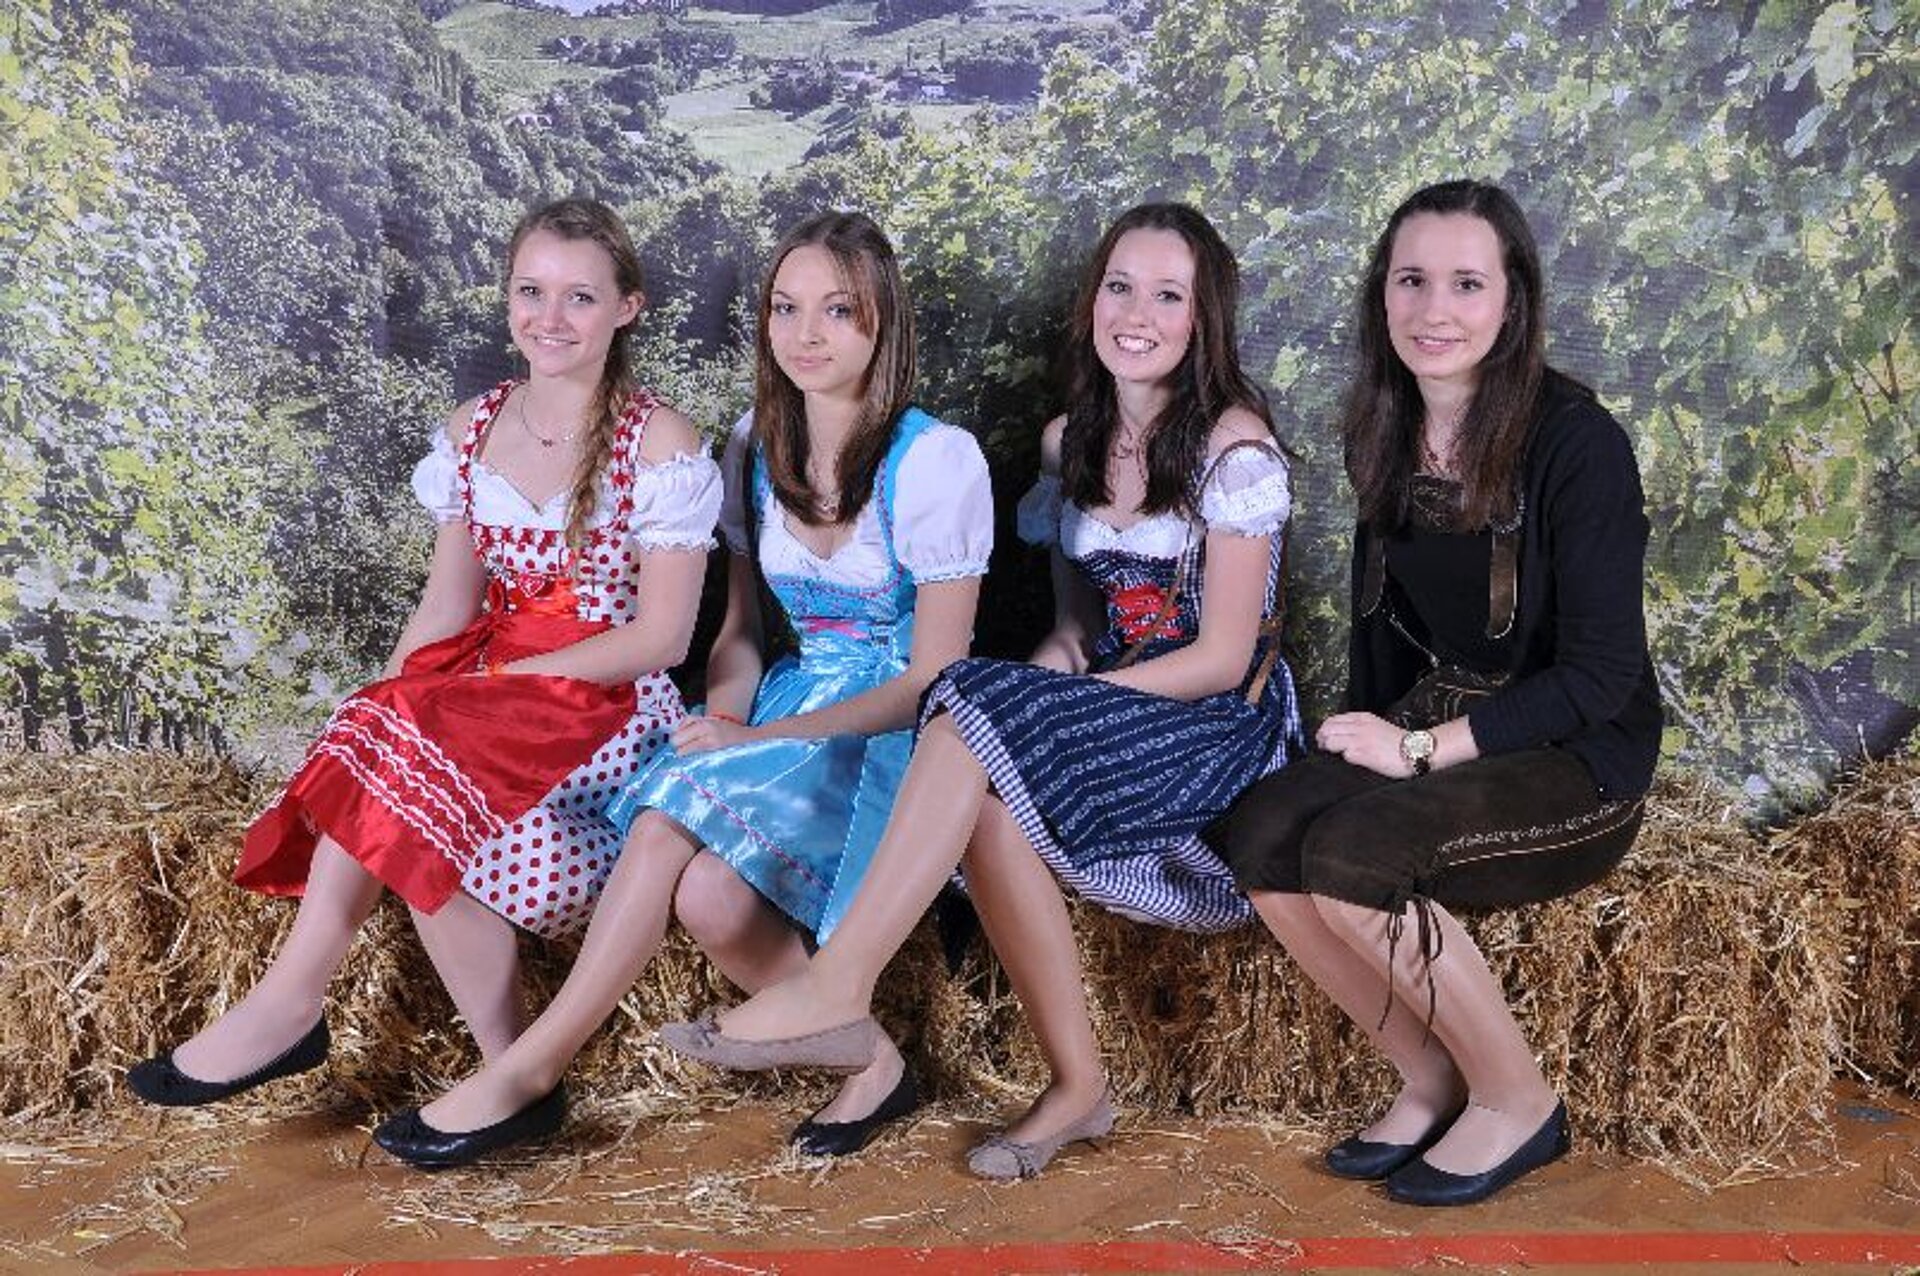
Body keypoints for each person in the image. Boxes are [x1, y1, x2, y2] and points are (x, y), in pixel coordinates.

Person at [658, 202, 1305, 1181]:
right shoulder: (1068, 443)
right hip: (1108, 708)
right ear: (1092, 300)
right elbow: (1077, 632)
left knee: (969, 702)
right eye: (1120, 287)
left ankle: (838, 984)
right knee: (979, 761)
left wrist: (1034, 709)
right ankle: (1079, 1086)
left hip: (1213, 725)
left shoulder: (1234, 449)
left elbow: (1221, 657)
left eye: (1168, 296)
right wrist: (1021, 701)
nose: (1137, 314)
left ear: (1204, 316)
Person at [370, 210, 993, 1168]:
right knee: (706, 894)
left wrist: (750, 750)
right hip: (783, 706)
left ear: (884, 324)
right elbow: (741, 635)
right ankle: (876, 1064)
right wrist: (726, 726)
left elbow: (933, 682)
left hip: (895, 737)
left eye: (838, 311)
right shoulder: (754, 444)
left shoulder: (938, 459)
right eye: (785, 308)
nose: (806, 334)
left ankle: (530, 1070)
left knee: (666, 823)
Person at [128, 198, 721, 1111]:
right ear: (507, 297)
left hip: (602, 702)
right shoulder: (472, 428)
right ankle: (504, 1072)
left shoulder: (660, 441)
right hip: (483, 690)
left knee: (406, 763)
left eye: (579, 297)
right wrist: (378, 713)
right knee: (386, 746)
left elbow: (661, 638)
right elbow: (447, 606)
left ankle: (295, 1003)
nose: (549, 318)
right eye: (530, 291)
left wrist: (500, 683)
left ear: (626, 308)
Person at [1205, 179, 1661, 1206]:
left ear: (1513, 300)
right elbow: (1382, 627)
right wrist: (1357, 746)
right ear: (1382, 294)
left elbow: (1600, 676)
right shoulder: (1384, 427)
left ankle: (1519, 1101)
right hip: (1444, 714)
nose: (1434, 310)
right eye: (1411, 281)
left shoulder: (1579, 444)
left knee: (1356, 853)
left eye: (1466, 283)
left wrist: (1418, 755)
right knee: (1266, 831)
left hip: (1578, 750)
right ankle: (1431, 1076)